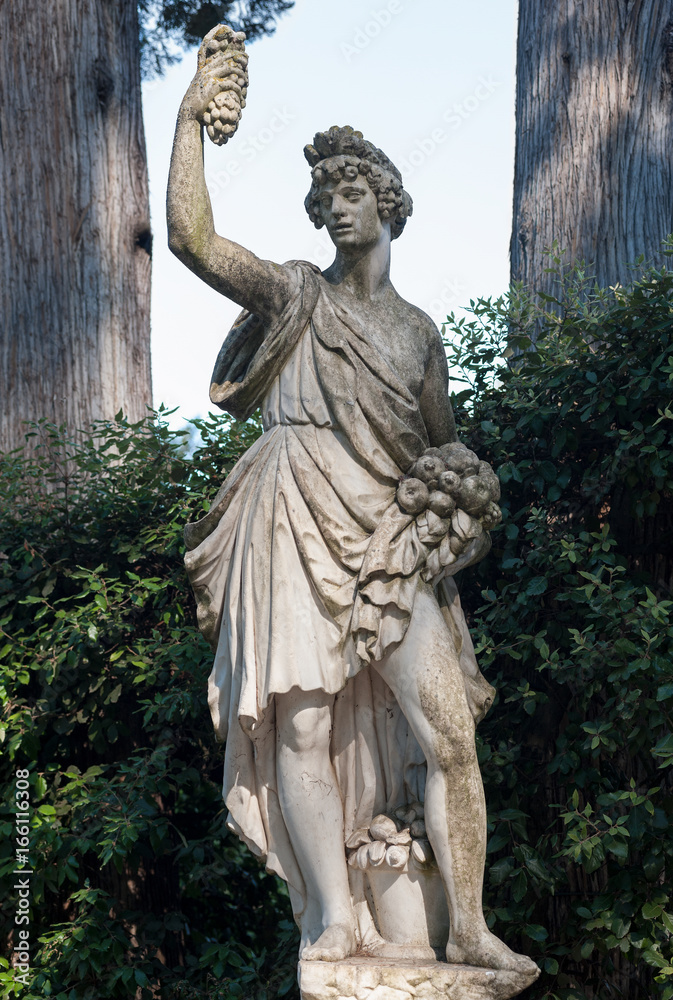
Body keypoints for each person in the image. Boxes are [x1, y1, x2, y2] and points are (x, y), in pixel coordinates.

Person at [167, 27, 537, 976]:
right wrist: (188, 123)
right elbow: (191, 239)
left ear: (389, 204)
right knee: (299, 724)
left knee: (447, 730)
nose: (336, 207)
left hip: (388, 539)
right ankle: (334, 918)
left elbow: (441, 450)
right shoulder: (293, 295)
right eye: (325, 195)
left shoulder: (417, 333)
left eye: (353, 191)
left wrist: (464, 501)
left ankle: (467, 927)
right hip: (293, 511)